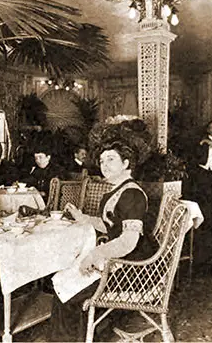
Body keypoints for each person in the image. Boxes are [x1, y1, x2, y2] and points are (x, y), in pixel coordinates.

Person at [47, 138, 158, 342]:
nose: (104, 165)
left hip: (135, 268)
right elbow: (110, 224)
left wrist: (94, 254)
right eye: (101, 160)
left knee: (69, 293)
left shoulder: (132, 194)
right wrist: (83, 218)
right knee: (64, 281)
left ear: (126, 164)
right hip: (122, 262)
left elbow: (128, 241)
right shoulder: (120, 189)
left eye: (111, 159)